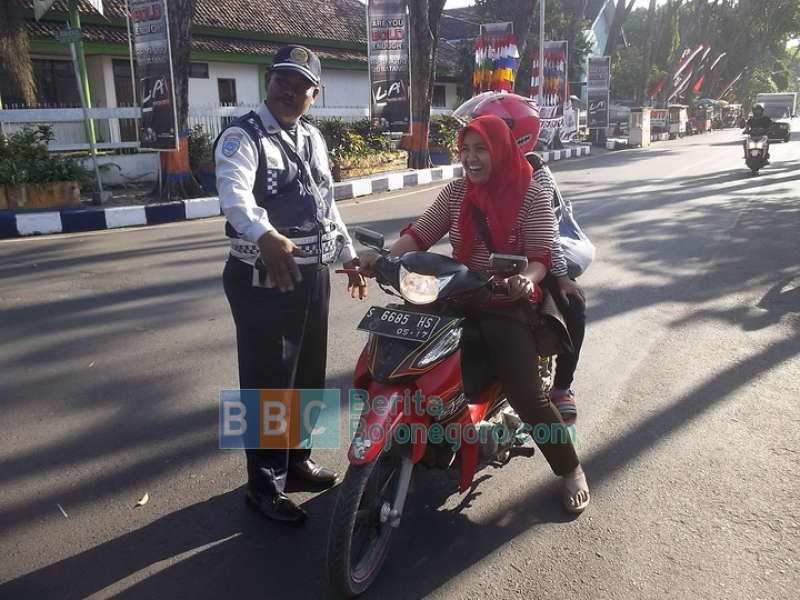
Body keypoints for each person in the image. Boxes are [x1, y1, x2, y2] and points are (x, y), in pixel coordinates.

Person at [359, 115, 590, 513]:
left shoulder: (531, 195)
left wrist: (524, 280)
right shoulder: (456, 192)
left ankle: (570, 469)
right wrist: (382, 259)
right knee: (405, 362)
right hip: (456, 293)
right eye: (465, 149)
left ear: (501, 151)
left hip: (504, 301)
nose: (470, 158)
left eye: (481, 149)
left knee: (526, 395)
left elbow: (540, 258)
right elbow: (420, 234)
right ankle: (417, 443)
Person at [215, 45, 367, 525]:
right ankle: (264, 487)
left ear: (314, 95)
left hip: (311, 275)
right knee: (268, 384)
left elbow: (326, 202)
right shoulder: (242, 136)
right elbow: (234, 195)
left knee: (306, 375)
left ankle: (297, 460)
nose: (290, 90)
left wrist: (348, 254)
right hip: (263, 279)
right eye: (283, 79)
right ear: (269, 81)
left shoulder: (312, 137)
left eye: (302, 85)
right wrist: (264, 235)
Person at [526, 152, 585, 425]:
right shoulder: (476, 168)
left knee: (573, 306)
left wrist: (561, 277)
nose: (473, 155)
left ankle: (562, 386)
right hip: (488, 264)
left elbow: (549, 230)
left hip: (536, 260)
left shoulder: (535, 167)